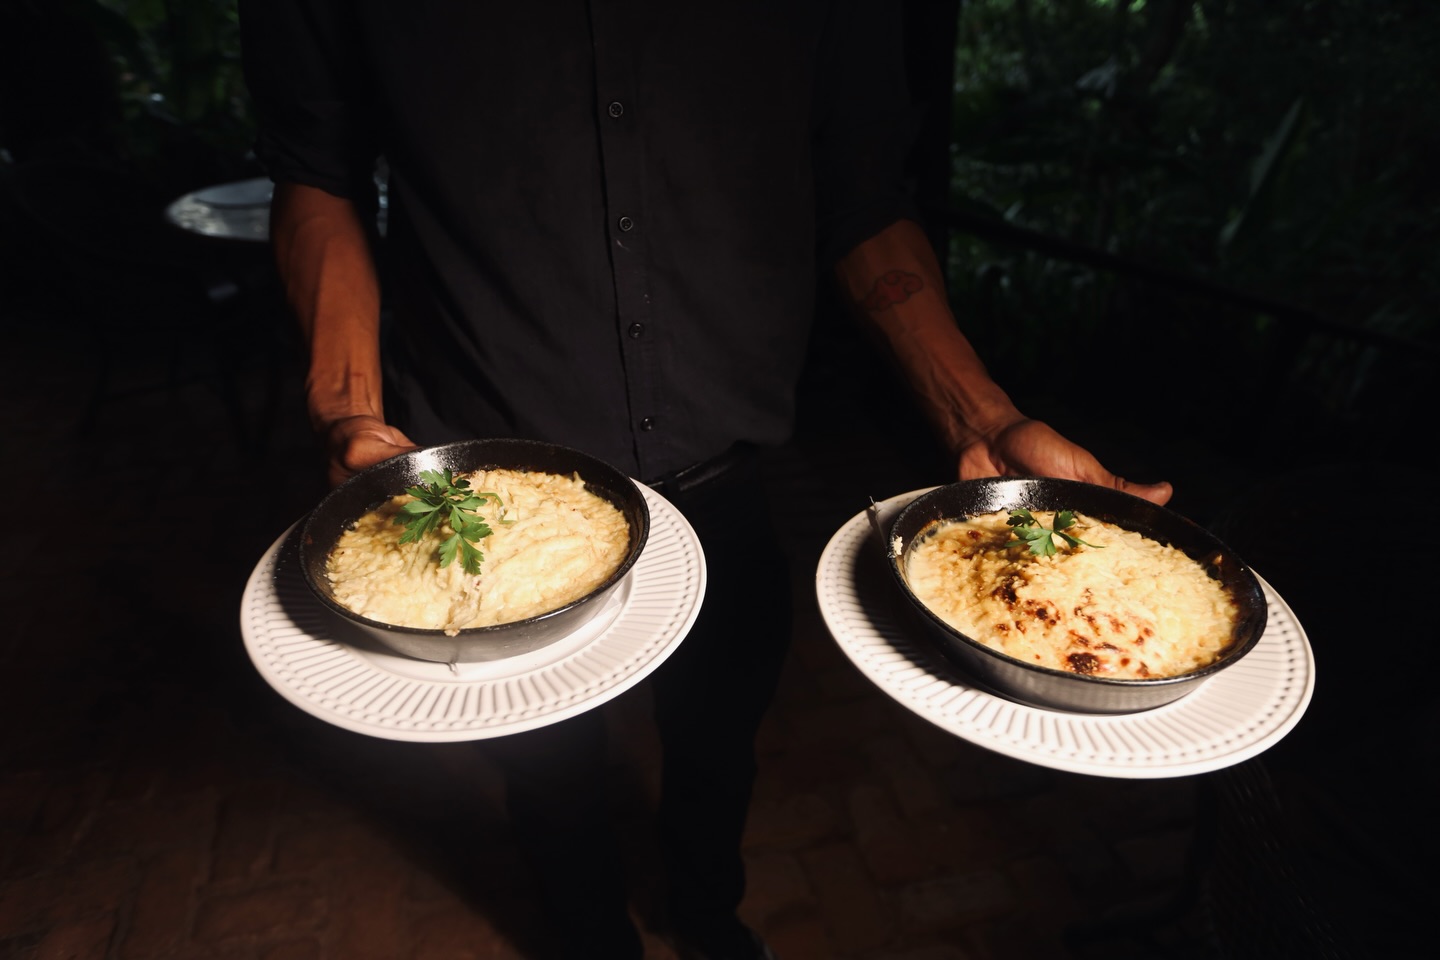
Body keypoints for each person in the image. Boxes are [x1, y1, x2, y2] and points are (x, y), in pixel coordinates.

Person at [240, 3, 1172, 957]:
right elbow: (317, 173)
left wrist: (982, 419)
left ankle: (707, 915)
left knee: (720, 740)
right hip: (487, 506)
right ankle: (589, 940)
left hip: (724, 481)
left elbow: (863, 200)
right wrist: (347, 407)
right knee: (544, 768)